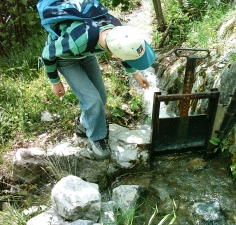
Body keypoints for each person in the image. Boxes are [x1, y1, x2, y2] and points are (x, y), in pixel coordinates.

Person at [41, 20, 156, 160]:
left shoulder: (117, 30)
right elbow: (48, 53)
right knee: (92, 100)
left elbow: (125, 51)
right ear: (115, 56)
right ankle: (96, 138)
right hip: (65, 58)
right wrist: (55, 81)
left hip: (86, 54)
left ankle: (83, 124)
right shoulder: (78, 41)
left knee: (101, 97)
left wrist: (135, 73)